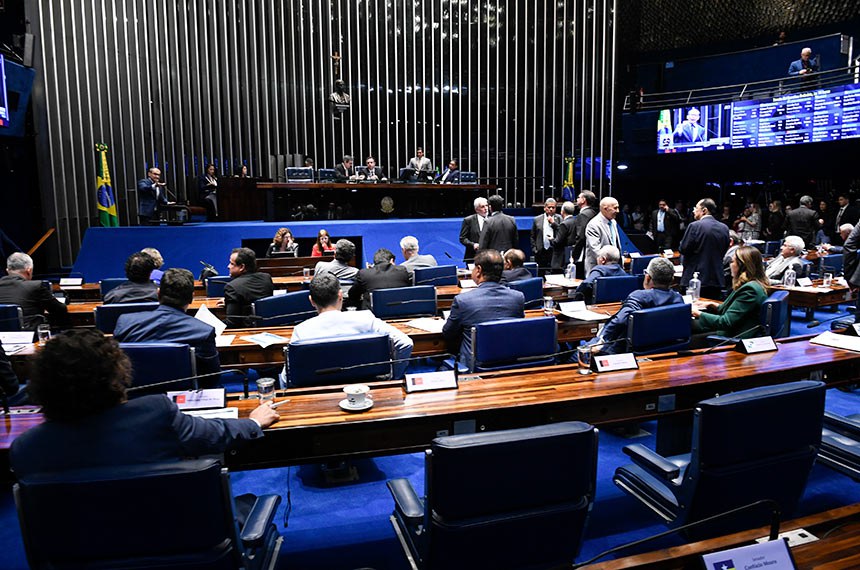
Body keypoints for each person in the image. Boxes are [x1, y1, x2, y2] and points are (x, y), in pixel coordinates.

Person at [9, 328, 279, 479]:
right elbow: (215, 435)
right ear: (117, 374)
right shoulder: (154, 413)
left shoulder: (26, 448)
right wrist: (253, 421)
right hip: (173, 543)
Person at [114, 268, 223, 386]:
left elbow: (116, 367)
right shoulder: (203, 331)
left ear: (158, 293)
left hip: (133, 394)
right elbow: (211, 378)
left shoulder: (125, 323)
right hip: (183, 398)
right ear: (192, 297)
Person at [292, 273, 414, 379]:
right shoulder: (366, 318)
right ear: (340, 295)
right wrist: (394, 376)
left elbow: (289, 376)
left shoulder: (301, 330)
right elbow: (405, 343)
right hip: (366, 389)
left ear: (311, 301)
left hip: (318, 394)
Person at [442, 249, 525, 365]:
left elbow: (448, 333)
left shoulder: (463, 301)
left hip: (474, 368)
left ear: (479, 270)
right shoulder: (518, 298)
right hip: (508, 362)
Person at [588, 257, 682, 354]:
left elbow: (620, 321)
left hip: (624, 354)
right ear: (672, 280)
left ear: (648, 277)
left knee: (574, 355)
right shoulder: (678, 299)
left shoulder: (640, 296)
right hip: (663, 353)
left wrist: (601, 341)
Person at [691, 246, 768, 343]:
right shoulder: (752, 284)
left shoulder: (750, 290)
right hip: (732, 329)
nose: (730, 265)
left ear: (742, 266)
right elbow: (736, 312)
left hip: (732, 335)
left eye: (732, 262)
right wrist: (713, 305)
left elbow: (725, 322)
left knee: (683, 330)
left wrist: (697, 313)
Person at [0, 252, 67, 330]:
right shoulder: (36, 286)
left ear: (7, 270)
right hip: (30, 337)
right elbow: (59, 309)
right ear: (29, 270)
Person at [679, 198, 730, 300]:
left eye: (696, 208)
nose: (693, 211)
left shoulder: (694, 226)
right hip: (717, 279)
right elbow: (724, 249)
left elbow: (683, 249)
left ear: (704, 210)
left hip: (695, 279)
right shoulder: (724, 228)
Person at [222, 247, 274, 328]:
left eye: (232, 264)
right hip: (268, 326)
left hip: (244, 330)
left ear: (242, 267)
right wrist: (229, 300)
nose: (228, 266)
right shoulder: (266, 278)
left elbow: (231, 323)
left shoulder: (232, 287)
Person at [347, 248, 412, 309]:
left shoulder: (364, 274)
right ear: (391, 260)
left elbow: (352, 295)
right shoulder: (402, 271)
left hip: (372, 315)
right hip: (399, 312)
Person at [584, 196, 621, 274]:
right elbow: (596, 250)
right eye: (615, 208)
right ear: (605, 209)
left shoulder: (613, 222)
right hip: (598, 269)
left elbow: (615, 244)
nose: (618, 211)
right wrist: (610, 264)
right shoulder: (593, 225)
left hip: (613, 268)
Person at [571, 190, 598, 274]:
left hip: (583, 254)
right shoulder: (594, 213)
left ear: (583, 200)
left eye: (578, 197)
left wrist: (574, 254)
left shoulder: (583, 215)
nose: (577, 199)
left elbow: (580, 236)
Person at [530, 198, 561, 272]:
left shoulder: (559, 218)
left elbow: (561, 232)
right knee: (541, 273)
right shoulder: (537, 219)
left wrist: (553, 223)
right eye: (549, 207)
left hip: (554, 251)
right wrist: (535, 249)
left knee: (554, 274)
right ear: (544, 208)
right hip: (541, 251)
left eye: (553, 207)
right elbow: (532, 236)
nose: (551, 209)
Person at [550, 201, 577, 273]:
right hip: (572, 255)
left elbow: (557, 242)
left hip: (561, 258)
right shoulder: (576, 221)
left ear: (562, 211)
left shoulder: (564, 224)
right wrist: (554, 224)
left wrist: (551, 239)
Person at [459, 197, 488, 261]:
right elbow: (463, 238)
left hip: (489, 256)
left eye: (487, 205)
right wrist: (473, 245)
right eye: (482, 207)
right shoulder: (468, 220)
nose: (486, 208)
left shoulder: (492, 220)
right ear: (477, 209)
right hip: (473, 256)